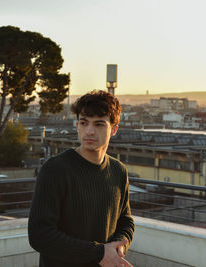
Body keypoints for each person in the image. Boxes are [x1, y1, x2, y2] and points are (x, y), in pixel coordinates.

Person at [28, 90, 135, 267]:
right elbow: (40, 235)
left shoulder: (118, 171)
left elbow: (126, 220)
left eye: (99, 124)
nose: (89, 131)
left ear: (114, 129)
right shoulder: (55, 169)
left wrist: (118, 248)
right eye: (84, 123)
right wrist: (99, 253)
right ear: (77, 125)